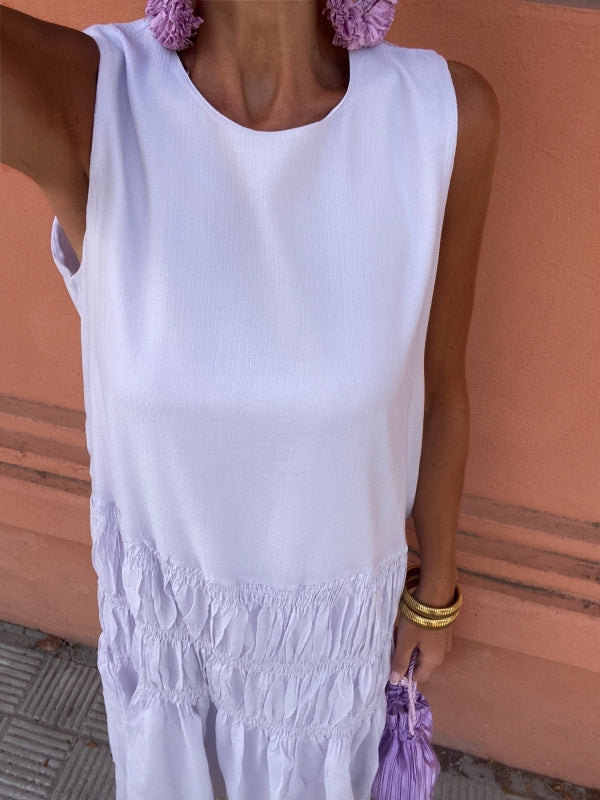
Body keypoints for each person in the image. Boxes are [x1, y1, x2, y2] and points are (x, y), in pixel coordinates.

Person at [0, 0, 500, 798]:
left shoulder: (442, 116)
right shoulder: (96, 100)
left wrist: (434, 595)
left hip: (325, 687)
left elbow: (442, 388)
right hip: (170, 683)